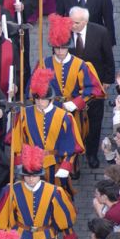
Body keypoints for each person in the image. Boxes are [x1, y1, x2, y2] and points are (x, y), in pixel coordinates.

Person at [10, 67, 84, 196]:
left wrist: (66, 166)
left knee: (58, 195)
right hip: (31, 164)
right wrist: (19, 164)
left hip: (55, 163)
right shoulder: (23, 114)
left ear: (50, 99)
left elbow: (72, 146)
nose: (39, 102)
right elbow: (17, 141)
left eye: (43, 99)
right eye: (37, 99)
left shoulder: (65, 117)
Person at [43, 13, 103, 146]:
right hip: (51, 110)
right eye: (56, 48)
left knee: (73, 144)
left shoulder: (81, 65)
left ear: (68, 47)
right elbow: (34, 89)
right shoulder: (44, 64)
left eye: (63, 48)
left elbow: (93, 89)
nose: (59, 51)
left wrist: (77, 103)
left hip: (74, 112)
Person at [68, 6, 115, 169]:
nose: (72, 25)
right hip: (72, 87)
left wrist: (107, 80)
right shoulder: (65, 33)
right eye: (71, 22)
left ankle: (92, 153)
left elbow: (108, 58)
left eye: (77, 23)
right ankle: (73, 156)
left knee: (94, 121)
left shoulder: (100, 32)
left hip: (94, 86)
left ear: (85, 22)